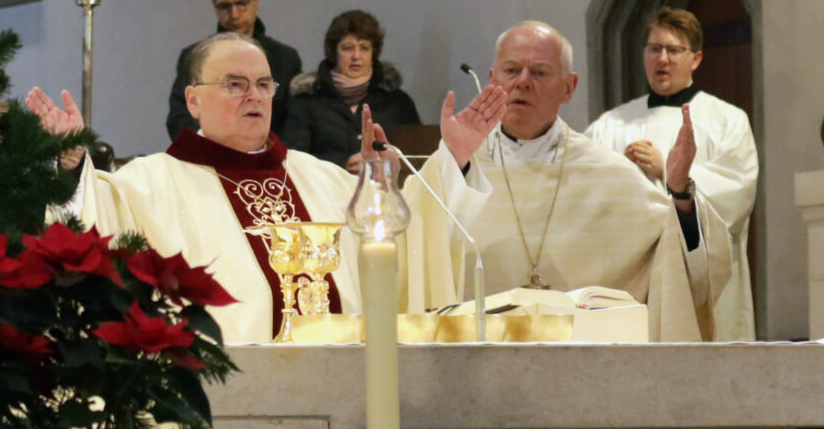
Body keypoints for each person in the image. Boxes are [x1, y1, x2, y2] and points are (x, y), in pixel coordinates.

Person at [32, 31, 507, 343]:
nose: (254, 95)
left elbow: (404, 251)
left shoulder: (322, 178)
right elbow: (88, 230)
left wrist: (450, 161)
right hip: (222, 401)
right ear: (193, 101)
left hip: (343, 384)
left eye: (263, 84)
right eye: (235, 84)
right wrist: (72, 162)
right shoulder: (145, 185)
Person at [411, 22, 730, 342]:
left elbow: (680, 256)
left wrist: (680, 192)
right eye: (511, 70)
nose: (523, 82)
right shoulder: (457, 166)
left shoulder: (609, 174)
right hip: (476, 356)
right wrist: (453, 159)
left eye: (539, 72)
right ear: (493, 79)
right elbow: (413, 240)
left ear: (569, 87)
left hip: (583, 359)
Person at [585, 7, 759, 340]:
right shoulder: (611, 124)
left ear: (696, 58)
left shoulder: (726, 119)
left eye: (673, 50)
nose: (662, 59)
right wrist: (622, 170)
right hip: (632, 274)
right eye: (654, 49)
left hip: (700, 276)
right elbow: (587, 191)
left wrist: (668, 169)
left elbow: (737, 192)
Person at [164, 0, 303, 140]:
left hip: (271, 152)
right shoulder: (194, 57)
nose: (234, 14)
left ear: (255, 1)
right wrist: (208, 149)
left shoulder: (285, 58)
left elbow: (297, 122)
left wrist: (267, 151)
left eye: (241, 3)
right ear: (215, 7)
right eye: (225, 6)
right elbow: (179, 117)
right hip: (211, 152)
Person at [284, 9, 421, 169]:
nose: (356, 56)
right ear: (334, 52)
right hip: (327, 184)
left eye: (364, 48)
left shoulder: (399, 103)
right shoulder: (306, 104)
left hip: (383, 183)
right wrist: (343, 163)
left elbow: (416, 157)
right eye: (348, 48)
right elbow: (293, 159)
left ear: (373, 54)